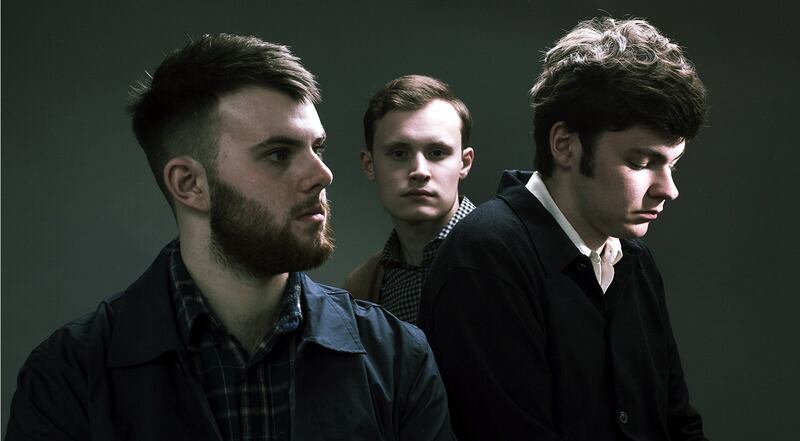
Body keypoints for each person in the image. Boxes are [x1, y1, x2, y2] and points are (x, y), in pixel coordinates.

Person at [6, 34, 453, 441]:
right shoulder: (69, 377)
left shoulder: (396, 358)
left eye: (316, 148)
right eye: (279, 154)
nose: (322, 174)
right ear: (189, 185)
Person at [419, 17, 708, 441]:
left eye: (673, 164)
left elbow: (679, 424)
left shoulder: (636, 261)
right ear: (565, 145)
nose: (669, 190)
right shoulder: (485, 255)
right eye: (642, 162)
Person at [343, 75, 475, 324]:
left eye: (437, 153)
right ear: (369, 165)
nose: (420, 171)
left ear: (464, 163)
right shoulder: (362, 287)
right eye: (399, 153)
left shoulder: (508, 253)